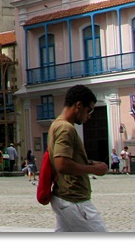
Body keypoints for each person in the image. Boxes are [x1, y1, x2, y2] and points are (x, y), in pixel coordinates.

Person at [47, 85, 109, 232]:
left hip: (64, 197)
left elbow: (67, 157)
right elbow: (62, 163)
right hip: (73, 199)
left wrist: (91, 162)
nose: (89, 116)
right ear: (79, 105)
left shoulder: (57, 125)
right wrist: (94, 169)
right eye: (89, 110)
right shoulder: (66, 129)